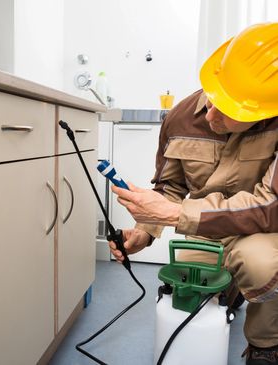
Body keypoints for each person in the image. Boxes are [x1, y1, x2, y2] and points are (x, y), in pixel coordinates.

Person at [109, 22, 278, 365]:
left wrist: (175, 215)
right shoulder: (181, 117)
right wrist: (144, 232)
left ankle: (265, 344)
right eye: (213, 97)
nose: (211, 114)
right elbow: (171, 187)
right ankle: (231, 292)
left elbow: (271, 205)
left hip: (261, 233)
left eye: (229, 112)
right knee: (187, 278)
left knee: (262, 265)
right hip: (206, 233)